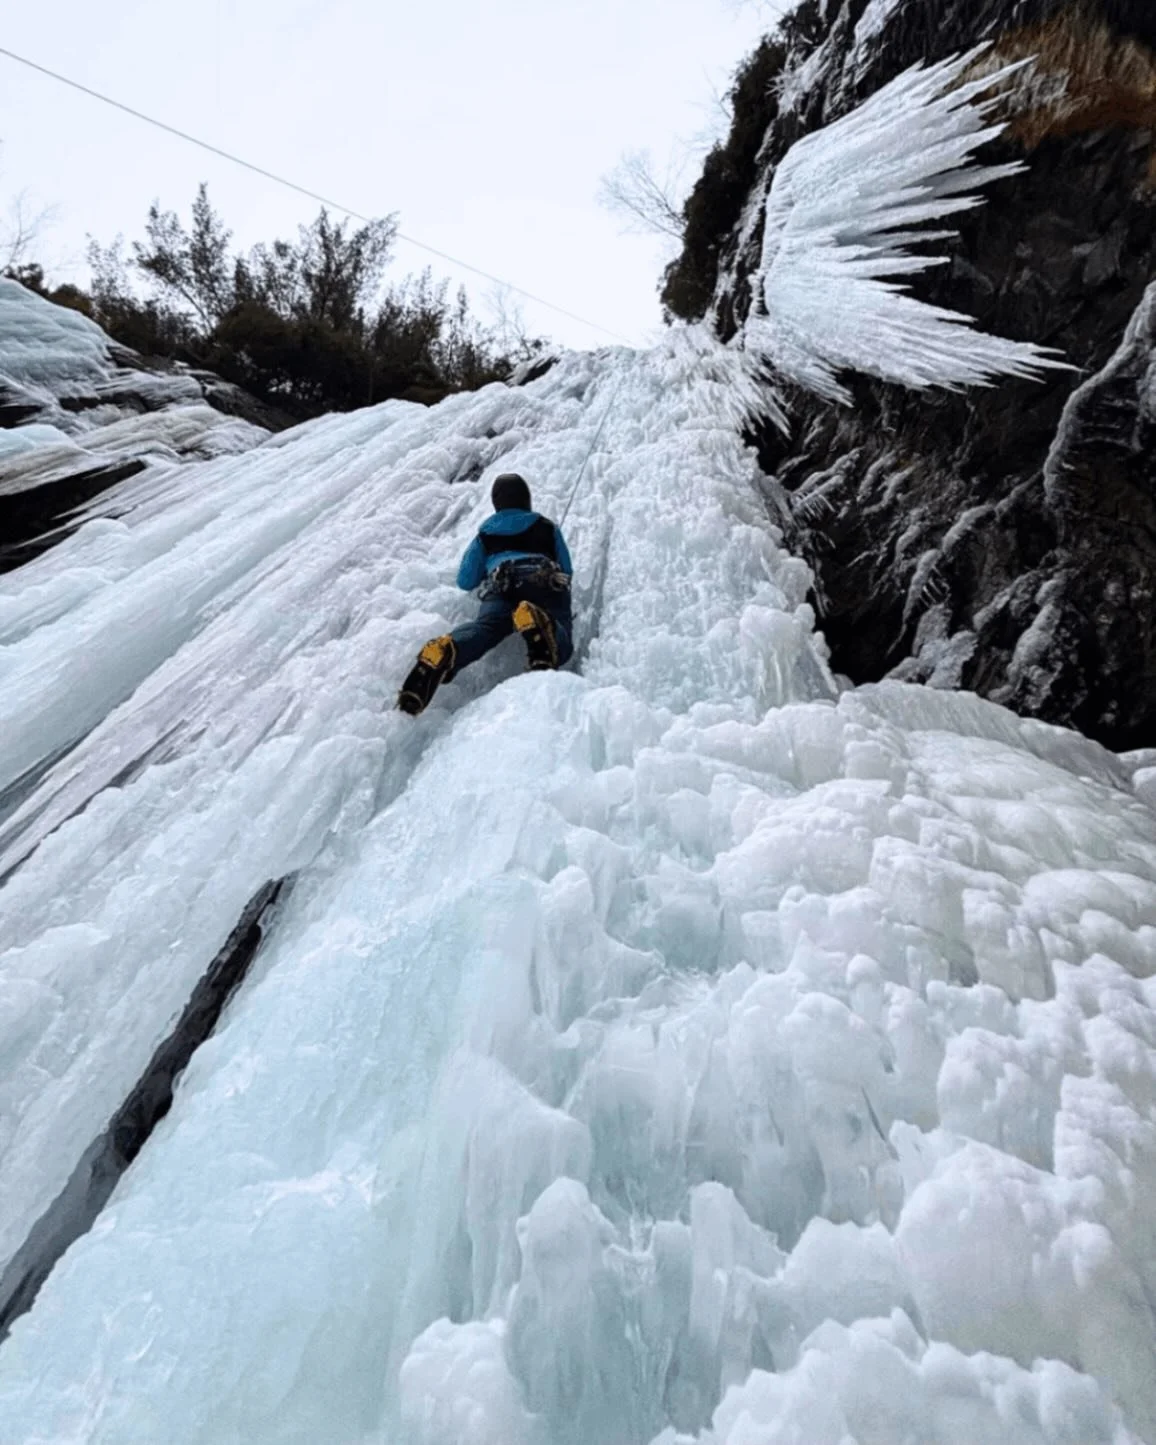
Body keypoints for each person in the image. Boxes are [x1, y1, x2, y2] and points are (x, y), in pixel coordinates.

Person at [397, 473, 574, 715]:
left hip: (500, 584)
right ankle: (543, 625)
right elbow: (567, 570)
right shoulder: (546, 527)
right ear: (526, 500)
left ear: (496, 504)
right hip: (539, 579)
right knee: (559, 624)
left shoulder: (486, 535)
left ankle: (447, 649)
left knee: (487, 628)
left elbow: (465, 581)